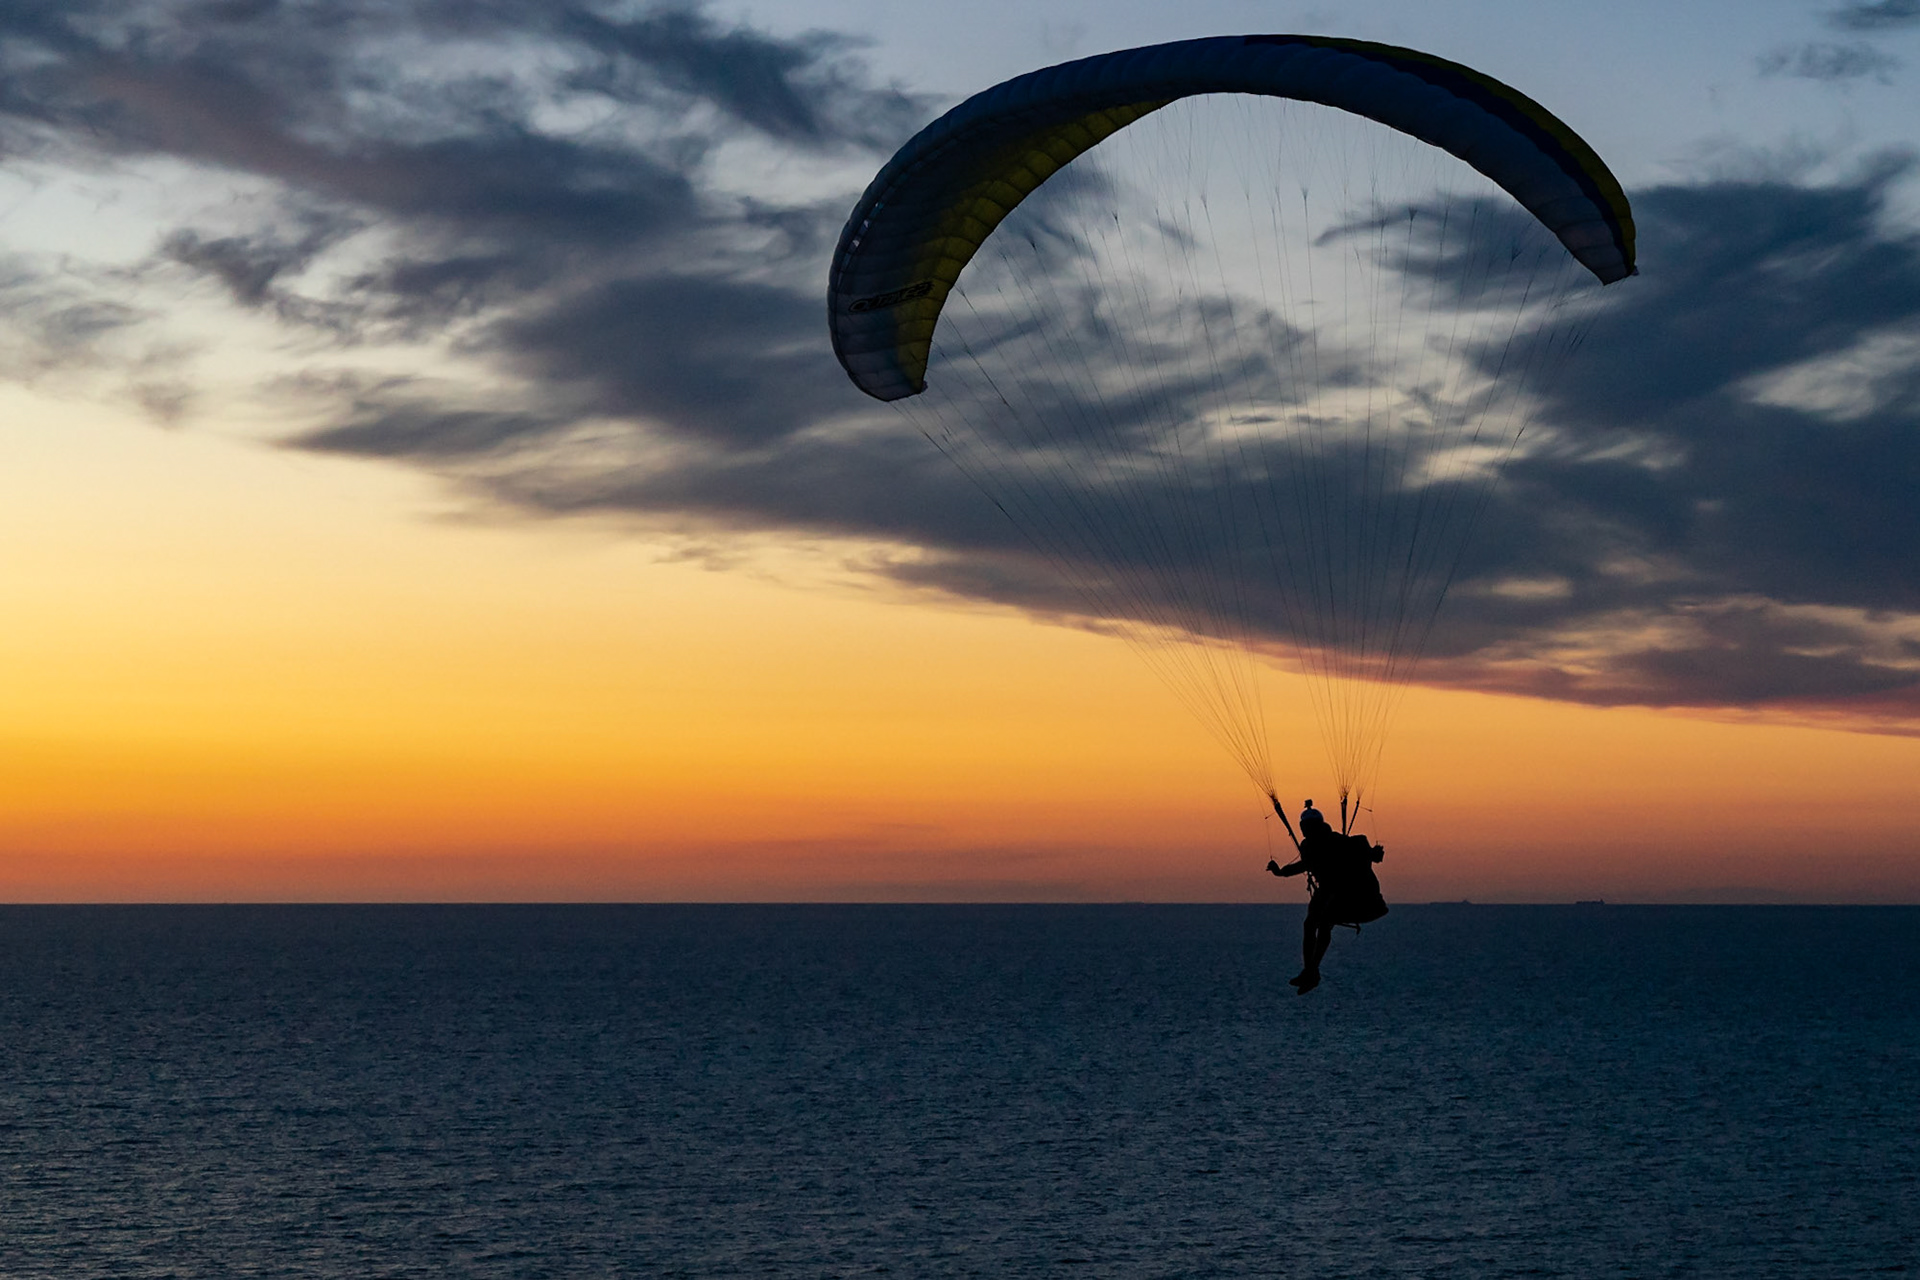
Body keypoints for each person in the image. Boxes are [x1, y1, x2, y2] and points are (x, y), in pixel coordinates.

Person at [1268, 798, 1388, 993]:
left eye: (1307, 827)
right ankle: (1310, 971)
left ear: (1314, 826)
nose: (1304, 831)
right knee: (1313, 924)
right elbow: (1304, 865)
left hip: (1346, 894)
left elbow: (1361, 851)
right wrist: (1280, 872)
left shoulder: (1336, 842)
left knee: (1319, 924)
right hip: (1332, 894)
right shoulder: (1315, 846)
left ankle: (1311, 972)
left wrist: (1373, 854)